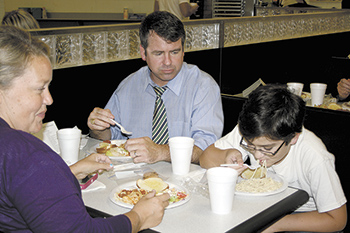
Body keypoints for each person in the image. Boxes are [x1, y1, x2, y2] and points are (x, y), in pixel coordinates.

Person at [0, 25, 169, 233]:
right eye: (39, 88)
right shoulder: (27, 155)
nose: (49, 99)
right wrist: (139, 216)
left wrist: (67, 173)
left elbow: (22, 190)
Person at [200, 84, 347, 233]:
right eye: (250, 145)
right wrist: (225, 155)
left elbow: (338, 219)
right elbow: (205, 158)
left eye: (267, 149)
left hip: (302, 217)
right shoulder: (252, 131)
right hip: (261, 208)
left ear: (294, 138)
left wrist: (277, 223)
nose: (257, 155)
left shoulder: (314, 156)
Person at [88, 11, 223, 164]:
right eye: (158, 53)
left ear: (183, 50)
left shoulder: (203, 86)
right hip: (132, 180)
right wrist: (99, 129)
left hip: (185, 180)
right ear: (143, 53)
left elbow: (207, 150)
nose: (168, 62)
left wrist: (160, 152)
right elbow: (110, 139)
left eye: (175, 52)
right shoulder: (128, 87)